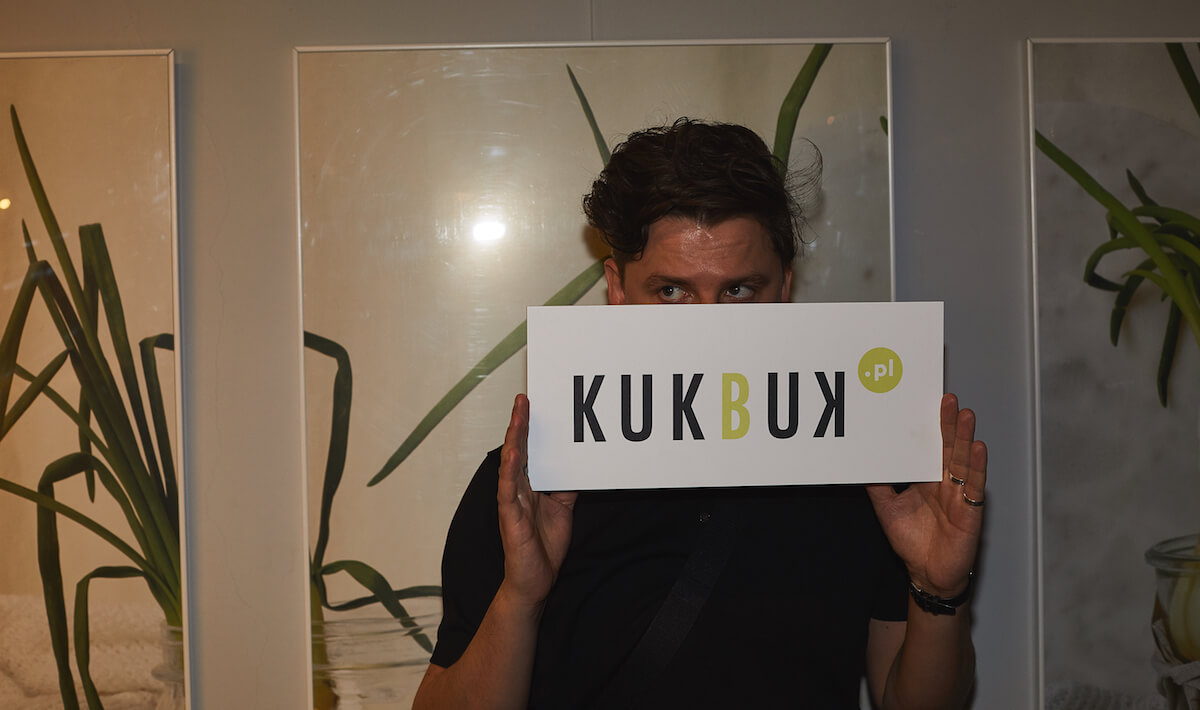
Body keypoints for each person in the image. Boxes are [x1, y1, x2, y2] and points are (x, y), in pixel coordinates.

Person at [412, 118, 987, 710]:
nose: (710, 328)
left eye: (738, 291)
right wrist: (520, 596)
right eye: (672, 291)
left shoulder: (862, 468)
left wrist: (937, 589)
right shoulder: (533, 484)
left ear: (783, 289)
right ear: (617, 289)